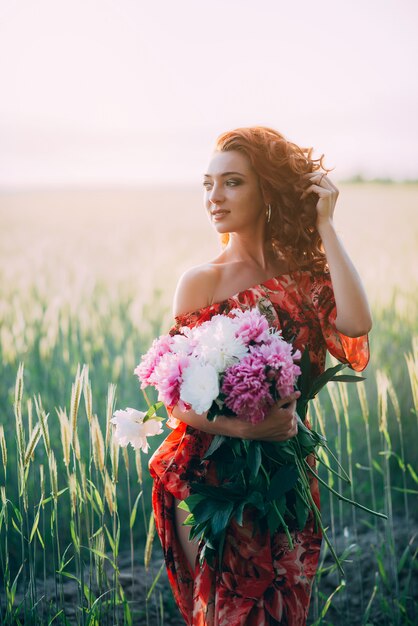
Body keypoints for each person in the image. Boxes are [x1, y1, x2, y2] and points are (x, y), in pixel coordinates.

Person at [148, 126, 371, 626]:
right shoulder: (201, 282)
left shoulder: (305, 273)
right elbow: (175, 399)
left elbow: (356, 324)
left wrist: (326, 227)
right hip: (211, 478)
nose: (214, 198)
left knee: (286, 613)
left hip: (288, 471)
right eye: (208, 184)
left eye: (231, 183)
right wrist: (246, 429)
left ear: (265, 190)